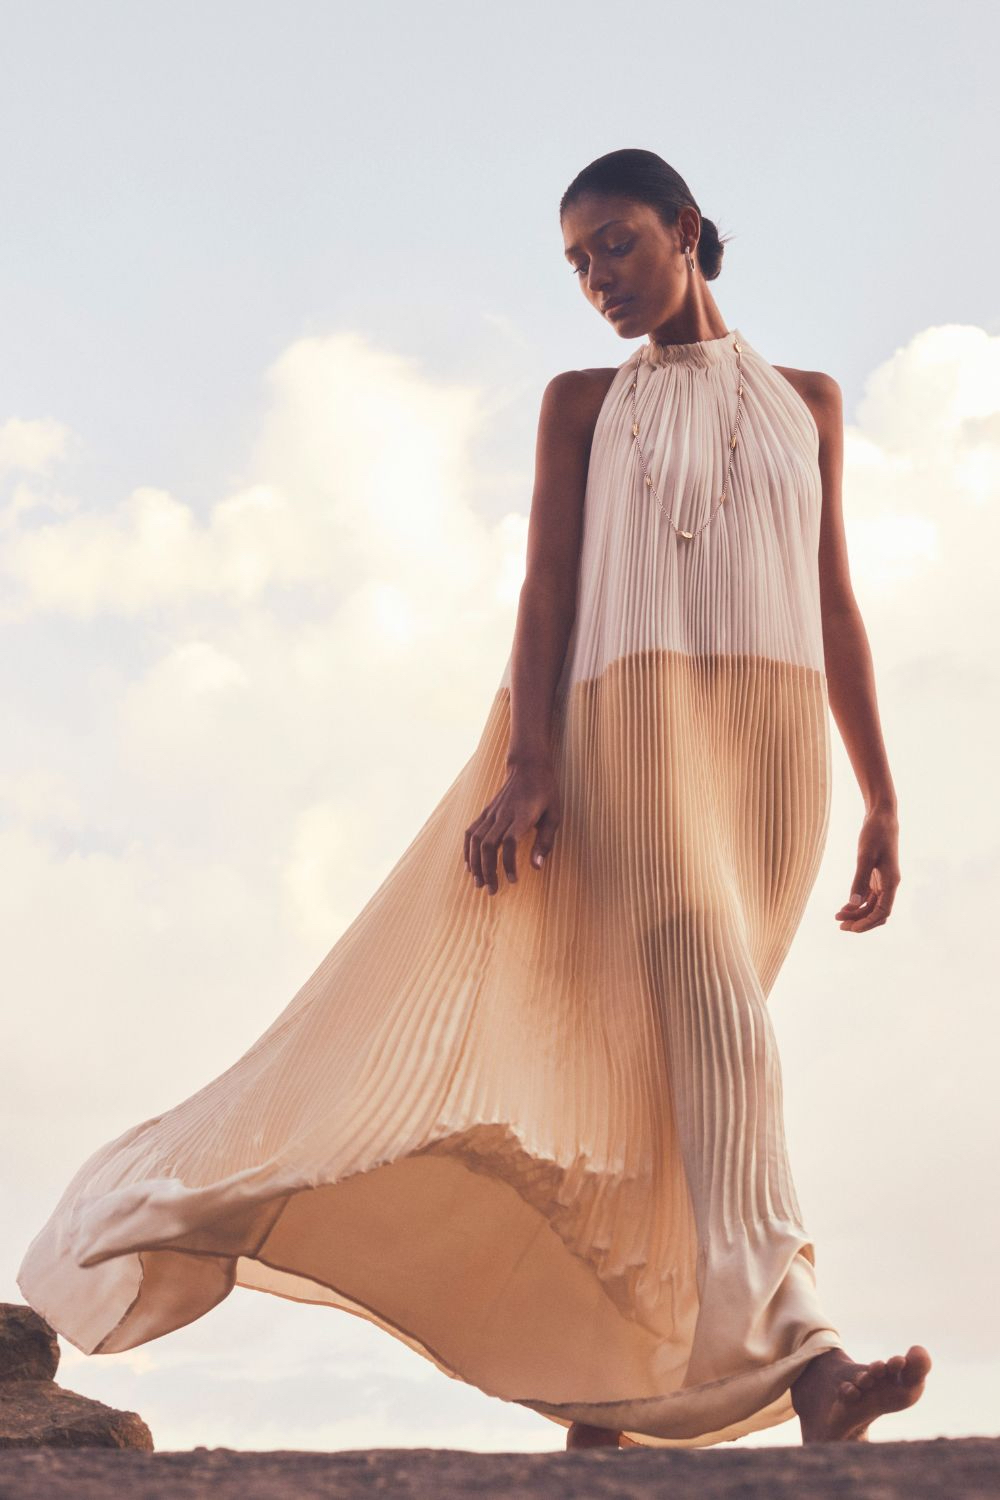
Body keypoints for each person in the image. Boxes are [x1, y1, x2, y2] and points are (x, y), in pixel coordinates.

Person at [17, 148, 931, 1451]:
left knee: (674, 1070)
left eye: (612, 244)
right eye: (573, 263)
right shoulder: (579, 405)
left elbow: (838, 605)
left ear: (682, 228)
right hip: (635, 732)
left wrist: (883, 801)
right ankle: (813, 1363)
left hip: (775, 757)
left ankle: (609, 1383)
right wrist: (532, 763)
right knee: (725, 1030)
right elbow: (545, 594)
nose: (594, 281)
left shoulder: (811, 403)